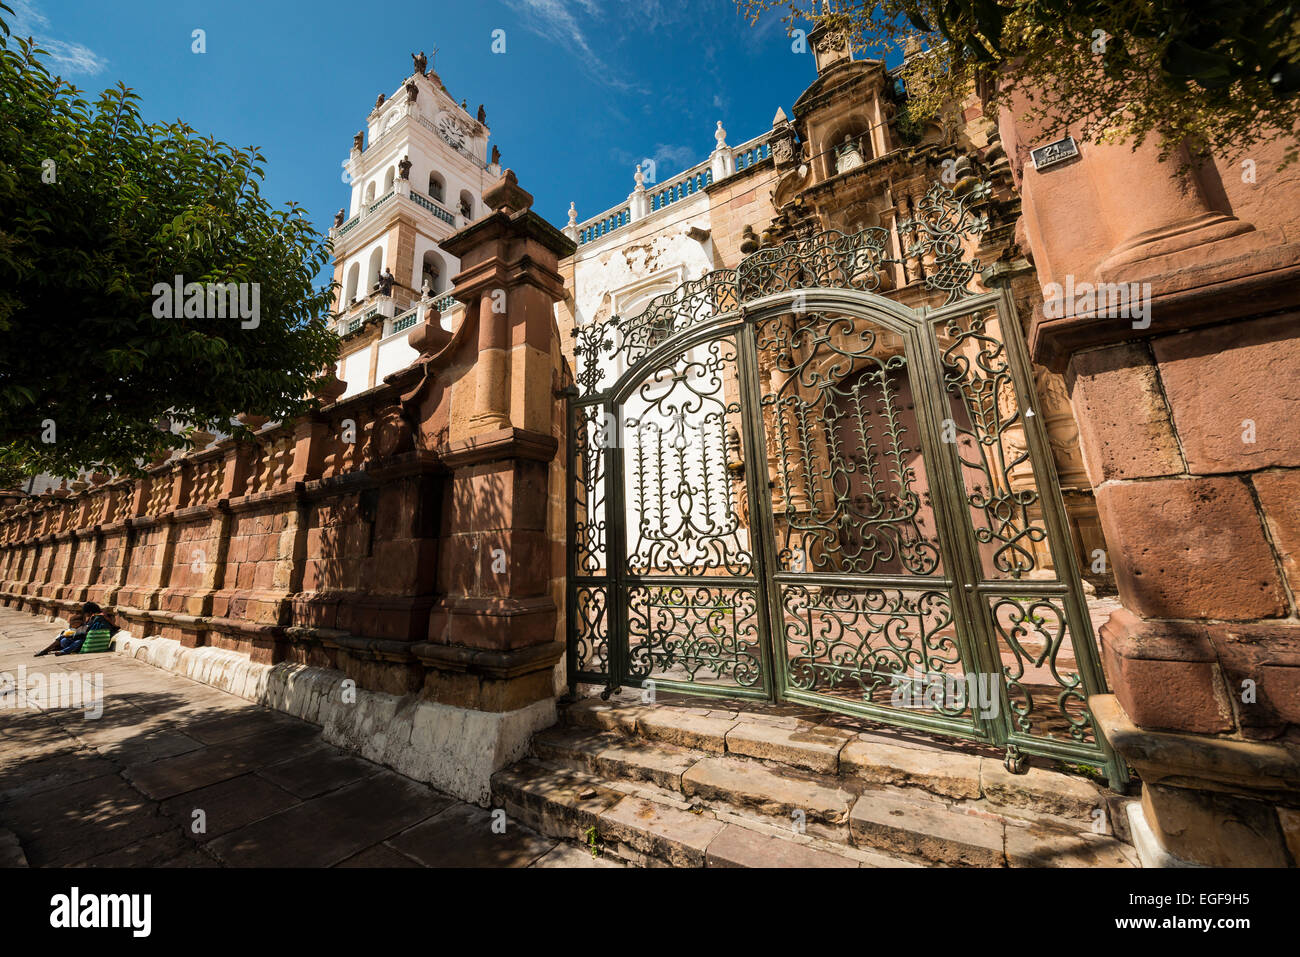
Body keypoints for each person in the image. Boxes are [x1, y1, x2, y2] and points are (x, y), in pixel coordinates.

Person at [34, 602, 115, 657]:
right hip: (80, 636)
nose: (85, 614)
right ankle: (46, 650)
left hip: (83, 640)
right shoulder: (92, 618)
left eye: (86, 612)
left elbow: (91, 632)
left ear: (90, 612)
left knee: (77, 641)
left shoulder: (98, 618)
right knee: (63, 638)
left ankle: (62, 651)